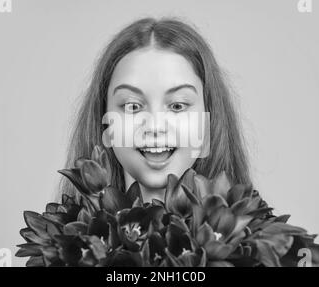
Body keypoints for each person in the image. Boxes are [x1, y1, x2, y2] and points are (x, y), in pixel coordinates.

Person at [59, 17, 251, 204]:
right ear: (105, 122)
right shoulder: (64, 235)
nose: (155, 126)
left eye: (177, 106)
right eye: (132, 106)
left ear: (209, 118)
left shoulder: (262, 234)